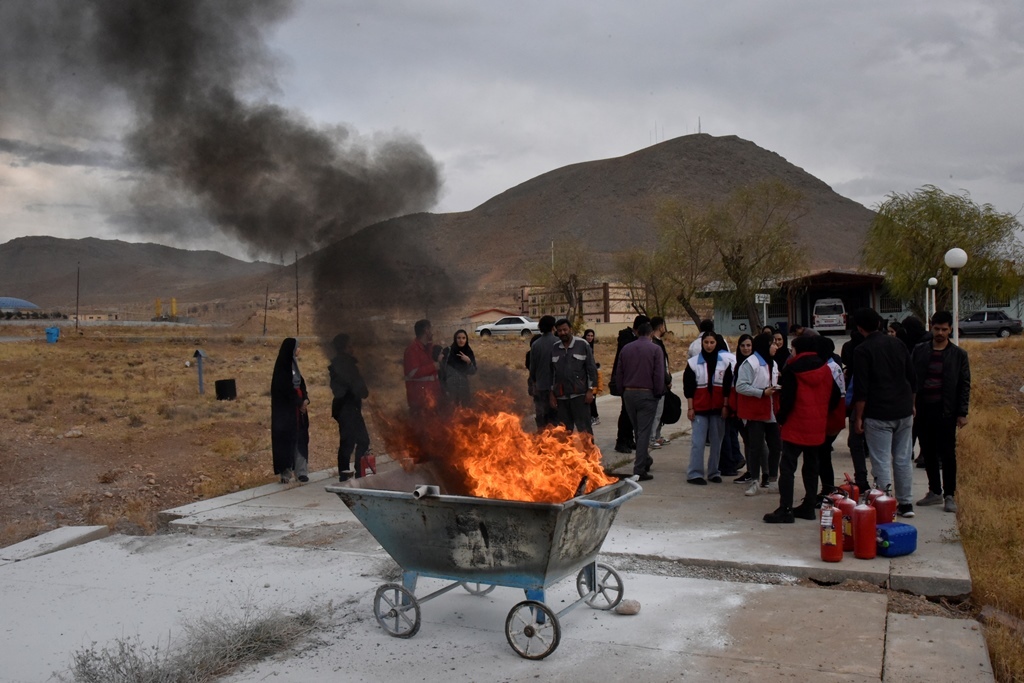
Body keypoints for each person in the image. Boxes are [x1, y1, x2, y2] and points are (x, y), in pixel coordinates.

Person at [764, 335, 841, 523]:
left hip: (796, 424)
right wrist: (821, 411)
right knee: (811, 466)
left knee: (788, 467)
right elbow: (835, 396)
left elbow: (788, 399)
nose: (791, 351)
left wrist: (781, 417)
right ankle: (809, 505)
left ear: (799, 349)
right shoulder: (825, 368)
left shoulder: (792, 369)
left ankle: (785, 509)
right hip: (816, 425)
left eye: (793, 348)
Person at [852, 307, 918, 518]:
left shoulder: (862, 351)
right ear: (880, 324)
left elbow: (862, 389)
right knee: (903, 458)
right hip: (903, 409)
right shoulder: (898, 343)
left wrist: (859, 417)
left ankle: (885, 503)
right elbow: (912, 378)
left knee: (880, 460)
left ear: (860, 328)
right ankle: (906, 504)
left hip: (878, 413)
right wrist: (912, 404)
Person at [912, 311, 970, 513]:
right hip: (923, 409)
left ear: (950, 329)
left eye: (944, 329)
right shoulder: (919, 351)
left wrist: (962, 413)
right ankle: (934, 491)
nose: (940, 333)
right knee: (927, 451)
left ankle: (949, 495)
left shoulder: (959, 355)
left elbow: (964, 385)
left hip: (946, 411)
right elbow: (911, 380)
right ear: (931, 327)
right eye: (937, 328)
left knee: (947, 454)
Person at [613, 321, 664, 481]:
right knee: (643, 432)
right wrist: (658, 392)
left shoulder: (626, 349)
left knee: (638, 429)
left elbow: (619, 372)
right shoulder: (655, 349)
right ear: (650, 334)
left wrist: (622, 390)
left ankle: (645, 459)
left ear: (637, 333)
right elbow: (658, 374)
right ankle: (639, 468)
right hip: (646, 394)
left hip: (629, 394)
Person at [683, 333, 735, 485]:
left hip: (718, 409)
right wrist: (690, 408)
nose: (709, 345)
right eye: (706, 342)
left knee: (717, 442)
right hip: (700, 409)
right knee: (698, 443)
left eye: (712, 342)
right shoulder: (693, 363)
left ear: (716, 344)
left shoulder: (724, 364)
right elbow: (689, 388)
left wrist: (725, 406)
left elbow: (726, 387)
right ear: (702, 343)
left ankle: (714, 472)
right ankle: (695, 473)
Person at [733, 333, 780, 496]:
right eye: (773, 344)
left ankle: (773, 480)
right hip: (755, 412)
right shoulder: (750, 363)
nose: (776, 346)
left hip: (771, 411)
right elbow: (740, 386)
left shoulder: (773, 363)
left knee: (776, 446)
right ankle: (754, 480)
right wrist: (761, 392)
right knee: (755, 447)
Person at [328, 334, 369, 482]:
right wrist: (359, 390)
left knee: (349, 441)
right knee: (361, 440)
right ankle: (354, 473)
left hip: (346, 408)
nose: (353, 348)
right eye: (350, 345)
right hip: (348, 409)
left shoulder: (341, 364)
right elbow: (356, 388)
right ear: (345, 347)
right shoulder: (345, 365)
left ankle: (346, 474)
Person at [271, 338, 309, 484]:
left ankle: (301, 472)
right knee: (285, 440)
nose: (299, 350)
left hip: (299, 412)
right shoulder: (282, 368)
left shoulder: (295, 367)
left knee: (300, 439)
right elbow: (284, 389)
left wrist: (305, 400)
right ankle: (285, 472)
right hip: (286, 413)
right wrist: (298, 402)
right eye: (297, 347)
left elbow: (301, 385)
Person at [549, 318, 597, 434]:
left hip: (580, 396)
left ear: (570, 329)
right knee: (564, 432)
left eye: (565, 330)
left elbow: (591, 369)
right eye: (559, 331)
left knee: (584, 431)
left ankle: (589, 452)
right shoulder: (554, 348)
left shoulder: (582, 344)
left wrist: (590, 390)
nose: (563, 333)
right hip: (561, 397)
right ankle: (566, 453)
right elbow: (552, 373)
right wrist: (552, 394)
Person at [816, 335, 847, 503]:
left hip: (831, 415)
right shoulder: (832, 365)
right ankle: (827, 487)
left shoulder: (830, 367)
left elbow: (834, 396)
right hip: (833, 414)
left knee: (823, 454)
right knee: (823, 453)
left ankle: (827, 488)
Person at [611, 315, 649, 452]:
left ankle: (629, 439)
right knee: (626, 413)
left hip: (632, 380)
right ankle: (621, 441)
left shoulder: (633, 339)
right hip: (626, 381)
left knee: (631, 413)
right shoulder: (627, 339)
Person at [840, 330, 870, 493]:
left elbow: (855, 387)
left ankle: (862, 479)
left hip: (861, 405)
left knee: (856, 442)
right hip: (886, 405)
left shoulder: (858, 351)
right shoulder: (887, 347)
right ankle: (881, 485)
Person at [720, 334, 752, 477]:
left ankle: (762, 473)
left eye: (748, 345)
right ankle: (748, 468)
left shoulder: (755, 363)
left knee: (753, 442)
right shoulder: (735, 363)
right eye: (743, 345)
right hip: (736, 407)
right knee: (741, 438)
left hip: (752, 407)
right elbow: (728, 385)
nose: (746, 348)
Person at [404, 319, 442, 415]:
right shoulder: (412, 350)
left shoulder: (428, 348)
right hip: (420, 402)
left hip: (432, 398)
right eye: (431, 329)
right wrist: (433, 366)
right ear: (426, 330)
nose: (432, 332)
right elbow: (413, 373)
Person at [528, 315, 558, 430]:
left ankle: (543, 444)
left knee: (542, 419)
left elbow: (533, 368)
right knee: (555, 420)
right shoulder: (558, 342)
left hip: (540, 387)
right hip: (556, 389)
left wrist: (534, 382)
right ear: (553, 327)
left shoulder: (536, 345)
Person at [649, 317, 671, 449]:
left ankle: (657, 435)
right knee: (656, 413)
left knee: (660, 413)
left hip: (661, 382)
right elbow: (660, 366)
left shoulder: (658, 342)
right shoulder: (655, 344)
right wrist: (667, 380)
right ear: (660, 326)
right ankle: (652, 438)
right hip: (659, 384)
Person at [441, 329, 477, 406]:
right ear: (455, 339)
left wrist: (468, 361)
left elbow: (473, 371)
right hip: (450, 389)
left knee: (465, 412)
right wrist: (444, 389)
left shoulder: (469, 352)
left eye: (463, 338)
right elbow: (441, 372)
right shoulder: (448, 352)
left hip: (463, 389)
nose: (461, 340)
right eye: (459, 338)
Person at [583, 328, 601, 425]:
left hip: (591, 376)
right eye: (588, 335)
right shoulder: (583, 346)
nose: (590, 337)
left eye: (591, 336)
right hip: (585, 376)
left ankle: (595, 417)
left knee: (592, 397)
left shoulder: (590, 346)